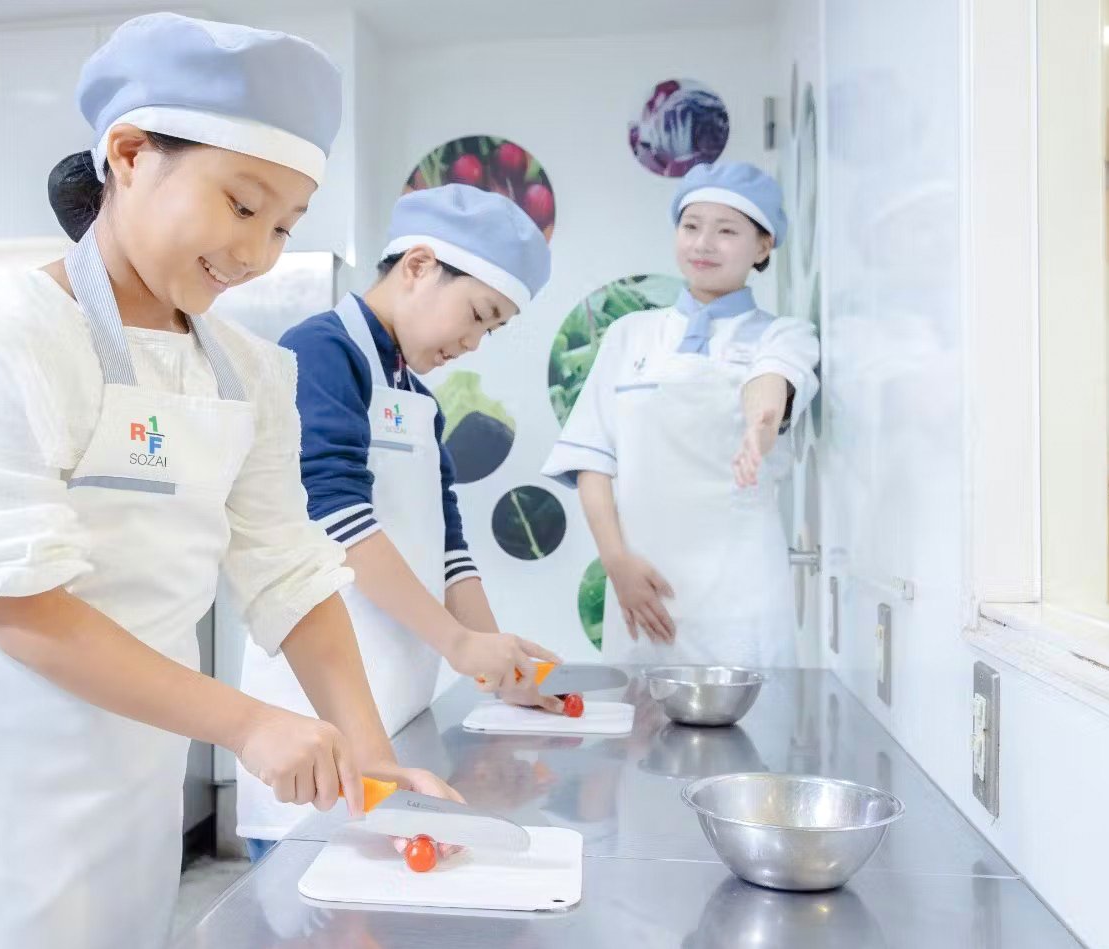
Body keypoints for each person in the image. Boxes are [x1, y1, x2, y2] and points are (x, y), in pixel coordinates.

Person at [0, 14, 457, 948]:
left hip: (141, 762)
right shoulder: (6, 341)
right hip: (4, 773)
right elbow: (23, 609)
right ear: (129, 153)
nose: (259, 252)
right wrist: (249, 723)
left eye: (283, 225)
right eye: (241, 205)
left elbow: (289, 569)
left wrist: (375, 759)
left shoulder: (250, 372)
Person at [237, 184, 559, 856]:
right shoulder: (323, 351)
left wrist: (496, 660)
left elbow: (452, 549)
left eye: (491, 329)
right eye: (476, 314)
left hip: (397, 712)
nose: (473, 342)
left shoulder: (418, 398)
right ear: (417, 266)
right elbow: (335, 511)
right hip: (316, 714)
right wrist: (457, 642)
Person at [542, 162, 820, 667]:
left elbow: (770, 381)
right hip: (643, 589)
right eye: (691, 226)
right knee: (641, 733)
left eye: (727, 230)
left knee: (753, 731)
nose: (703, 244)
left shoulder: (782, 335)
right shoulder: (630, 334)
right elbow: (593, 461)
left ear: (763, 247)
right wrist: (616, 563)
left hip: (742, 598)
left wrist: (760, 426)